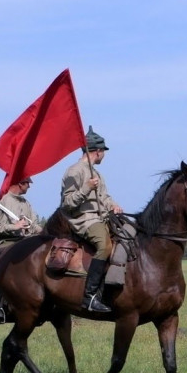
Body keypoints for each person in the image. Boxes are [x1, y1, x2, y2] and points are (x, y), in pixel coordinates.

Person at [60, 125, 123, 313]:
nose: (104, 155)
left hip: (101, 217)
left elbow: (104, 197)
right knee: (105, 246)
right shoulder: (74, 171)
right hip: (84, 220)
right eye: (104, 152)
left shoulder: (97, 174)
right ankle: (89, 296)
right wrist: (86, 187)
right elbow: (67, 203)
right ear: (98, 151)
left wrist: (113, 205)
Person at [0, 176, 42, 324]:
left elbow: (34, 225)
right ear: (20, 183)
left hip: (22, 242)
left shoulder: (25, 203)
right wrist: (14, 227)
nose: (29, 186)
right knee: (2, 263)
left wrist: (45, 233)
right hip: (1, 243)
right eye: (28, 183)